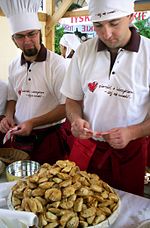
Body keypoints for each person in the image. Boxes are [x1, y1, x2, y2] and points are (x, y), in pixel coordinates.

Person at [61, 0, 150, 196]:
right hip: (88, 148)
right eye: (98, 25)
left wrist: (133, 132)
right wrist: (75, 120)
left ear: (131, 17)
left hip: (129, 153)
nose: (106, 34)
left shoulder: (148, 54)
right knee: (83, 205)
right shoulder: (84, 51)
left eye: (114, 23)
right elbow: (72, 100)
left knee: (128, 211)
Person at [0, 0, 70, 164]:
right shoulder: (13, 65)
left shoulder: (57, 65)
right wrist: (8, 116)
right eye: (20, 36)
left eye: (32, 34)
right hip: (19, 138)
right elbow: (13, 98)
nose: (27, 40)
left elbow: (66, 106)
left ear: (39, 33)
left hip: (49, 139)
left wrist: (33, 122)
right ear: (13, 39)